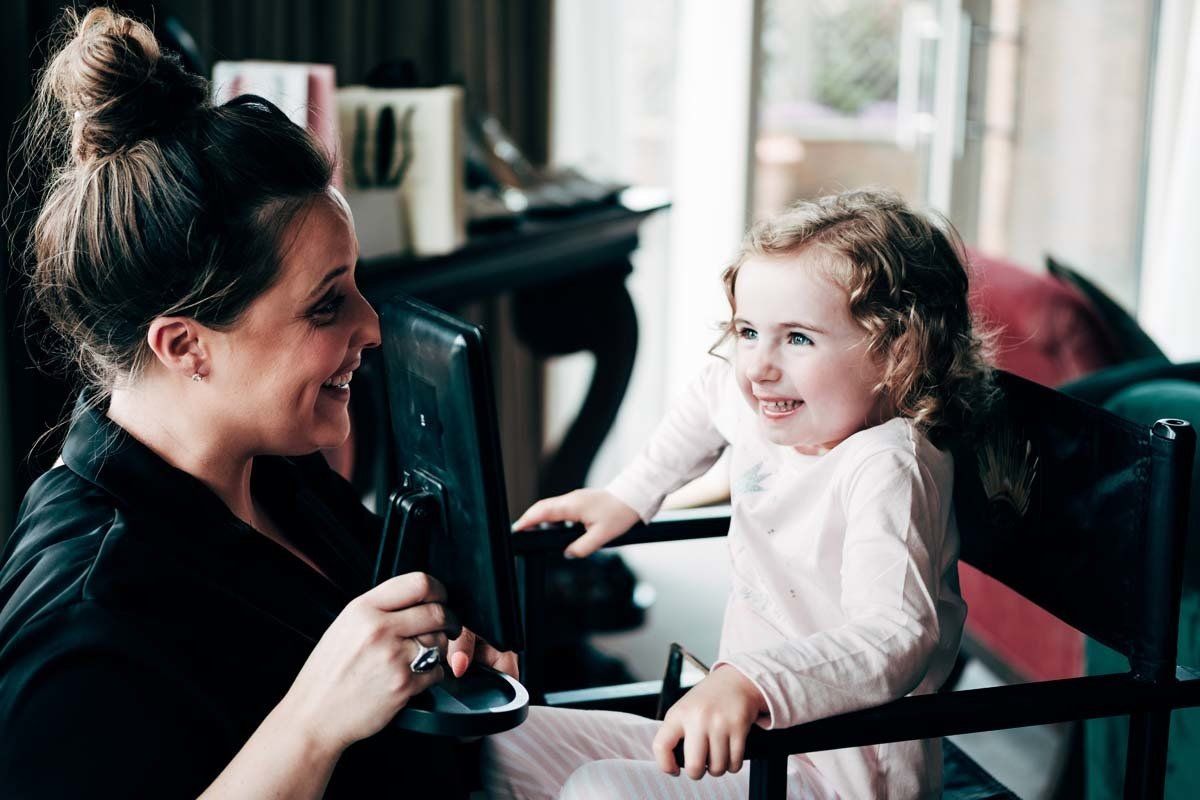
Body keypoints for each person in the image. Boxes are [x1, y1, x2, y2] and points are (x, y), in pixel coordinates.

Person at [0, 8, 514, 799]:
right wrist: (309, 723)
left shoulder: (273, 466)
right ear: (185, 345)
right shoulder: (88, 617)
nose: (372, 328)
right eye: (325, 305)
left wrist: (444, 643)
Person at [486, 188, 996, 799]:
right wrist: (630, 494)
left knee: (601, 791)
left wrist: (752, 683)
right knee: (497, 742)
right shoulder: (777, 408)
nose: (758, 367)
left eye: (798, 338)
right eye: (749, 331)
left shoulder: (887, 464)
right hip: (753, 745)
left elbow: (897, 634)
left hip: (839, 776)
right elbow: (710, 393)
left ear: (898, 352)